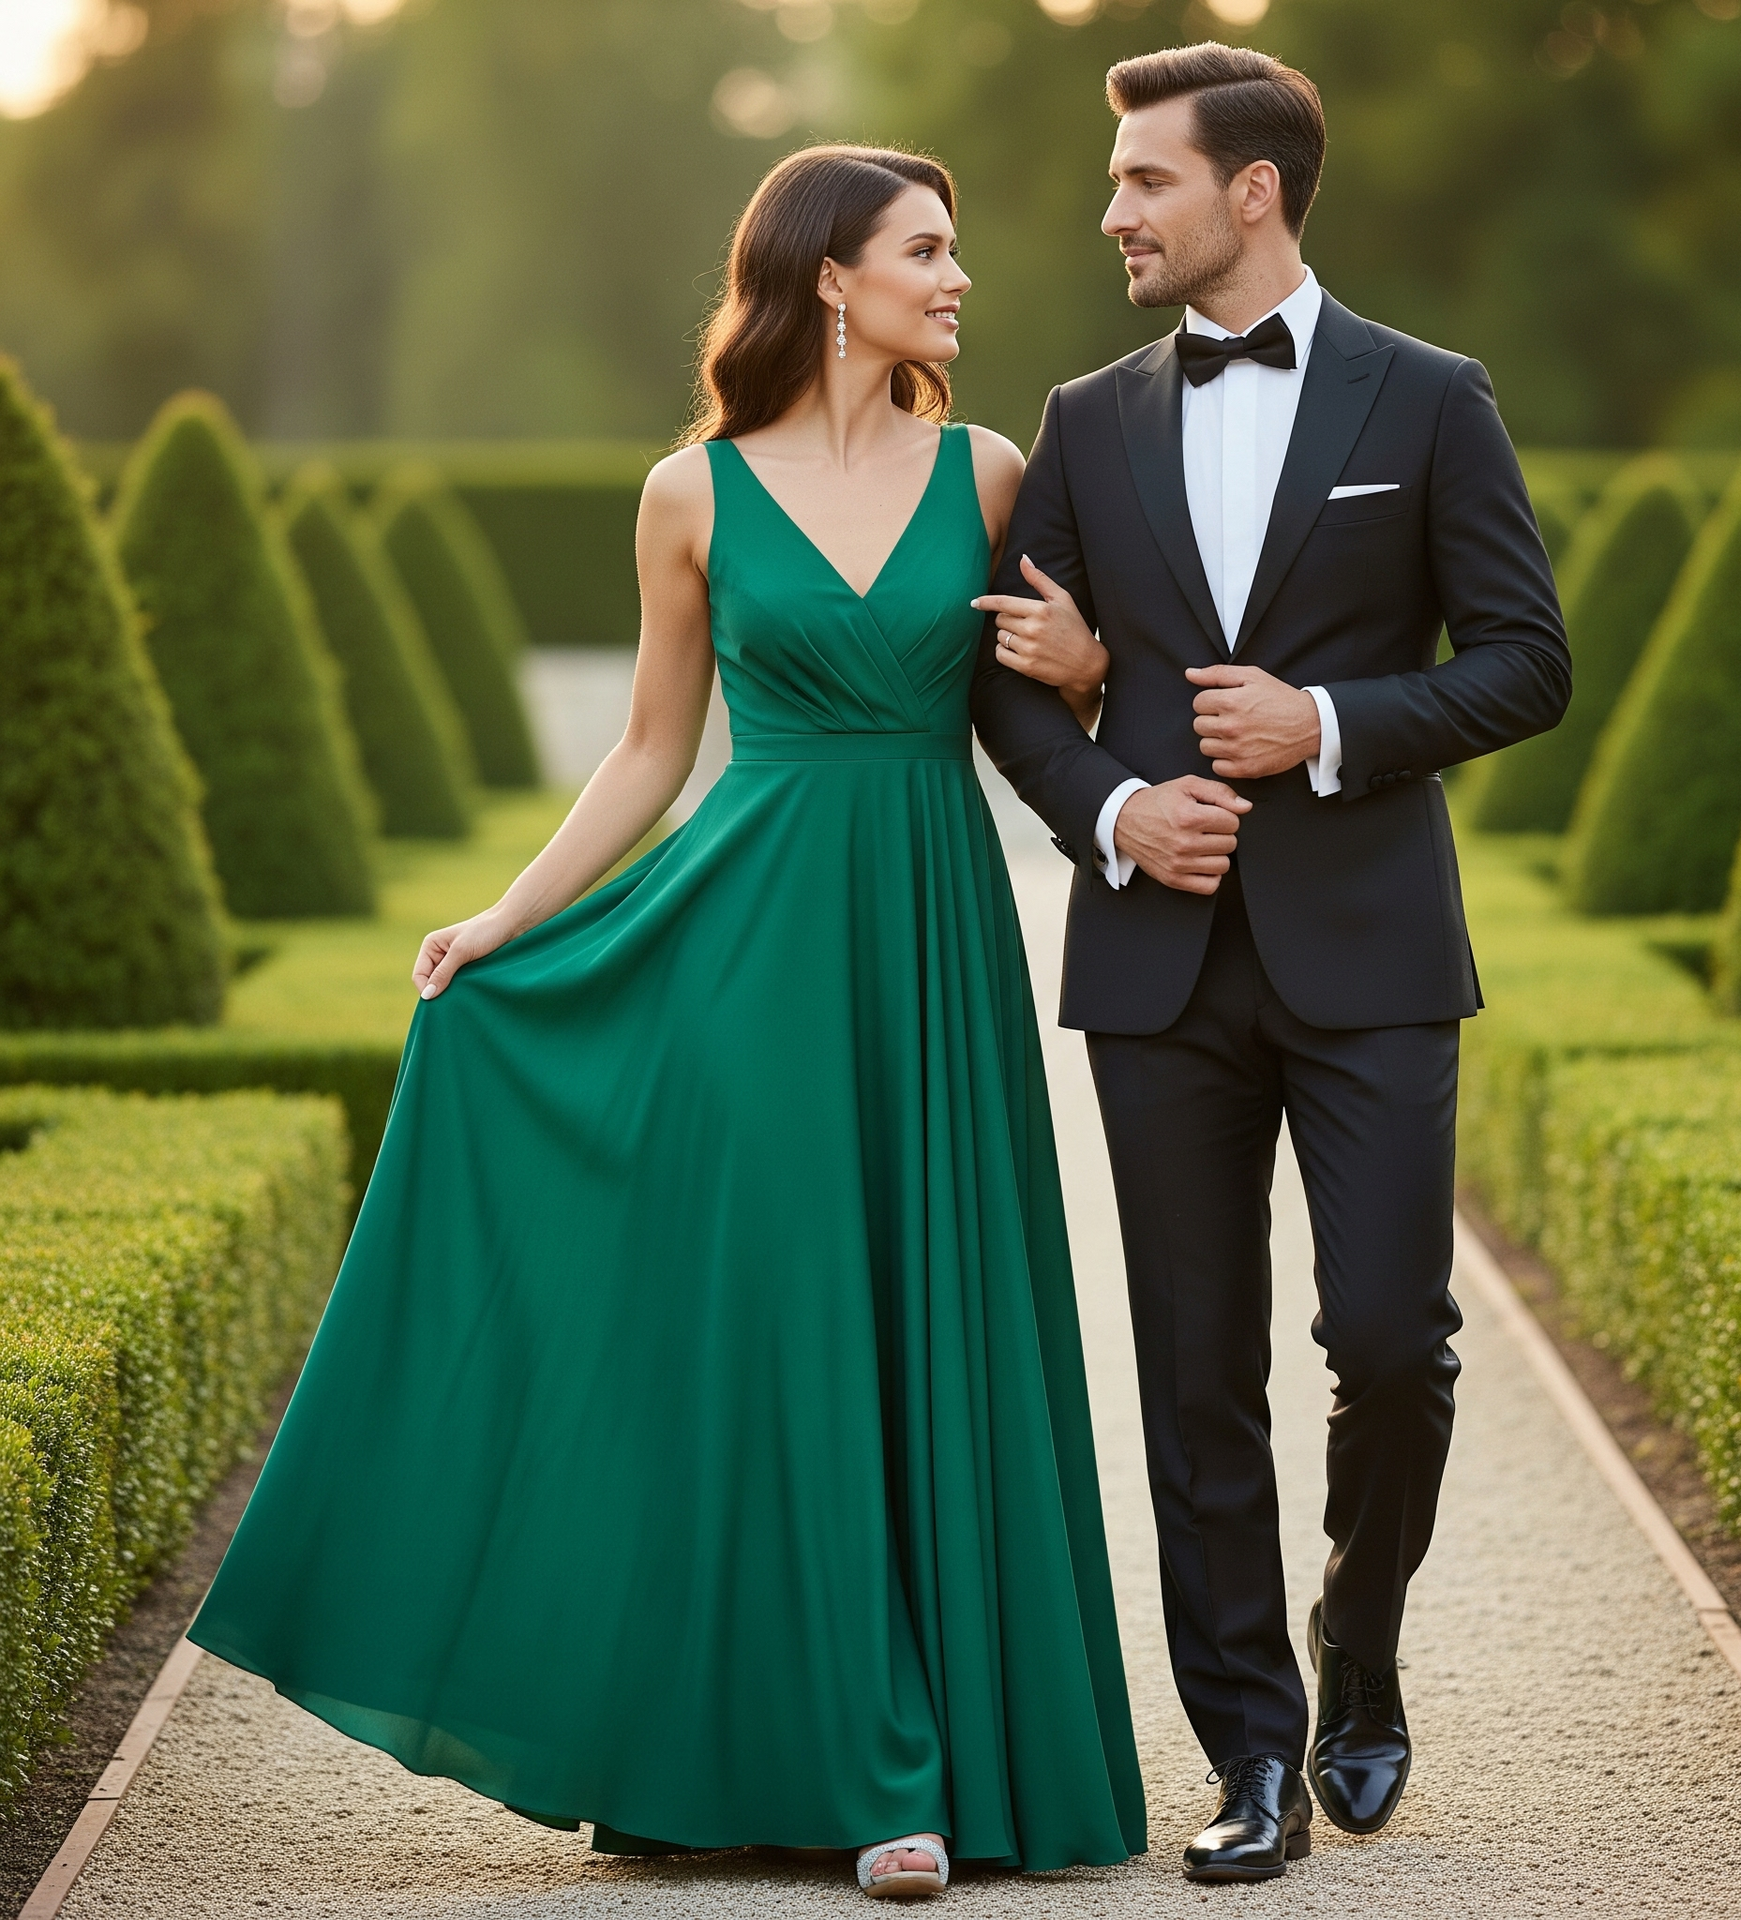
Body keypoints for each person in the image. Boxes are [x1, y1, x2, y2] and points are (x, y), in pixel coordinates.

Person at [189, 145, 1146, 1900]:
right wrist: (501, 919)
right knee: (795, 1343)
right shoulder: (687, 496)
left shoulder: (991, 471)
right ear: (828, 276)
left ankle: (950, 1750)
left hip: (935, 943)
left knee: (933, 1316)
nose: (956, 280)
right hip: (751, 958)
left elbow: (1074, 683)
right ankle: (873, 1773)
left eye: (954, 252)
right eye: (925, 251)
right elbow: (649, 751)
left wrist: (1090, 676)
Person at [972, 42, 1570, 1886]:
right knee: (1191, 1374)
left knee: (1392, 1343)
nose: (1111, 210)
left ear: (1255, 190)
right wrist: (1110, 806)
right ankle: (1249, 1754)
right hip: (1158, 967)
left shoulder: (1432, 399)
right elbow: (1005, 675)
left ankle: (1359, 1645)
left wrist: (1325, 719)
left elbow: (1527, 661)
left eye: (1143, 177)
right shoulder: (1080, 419)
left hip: (1374, 948)